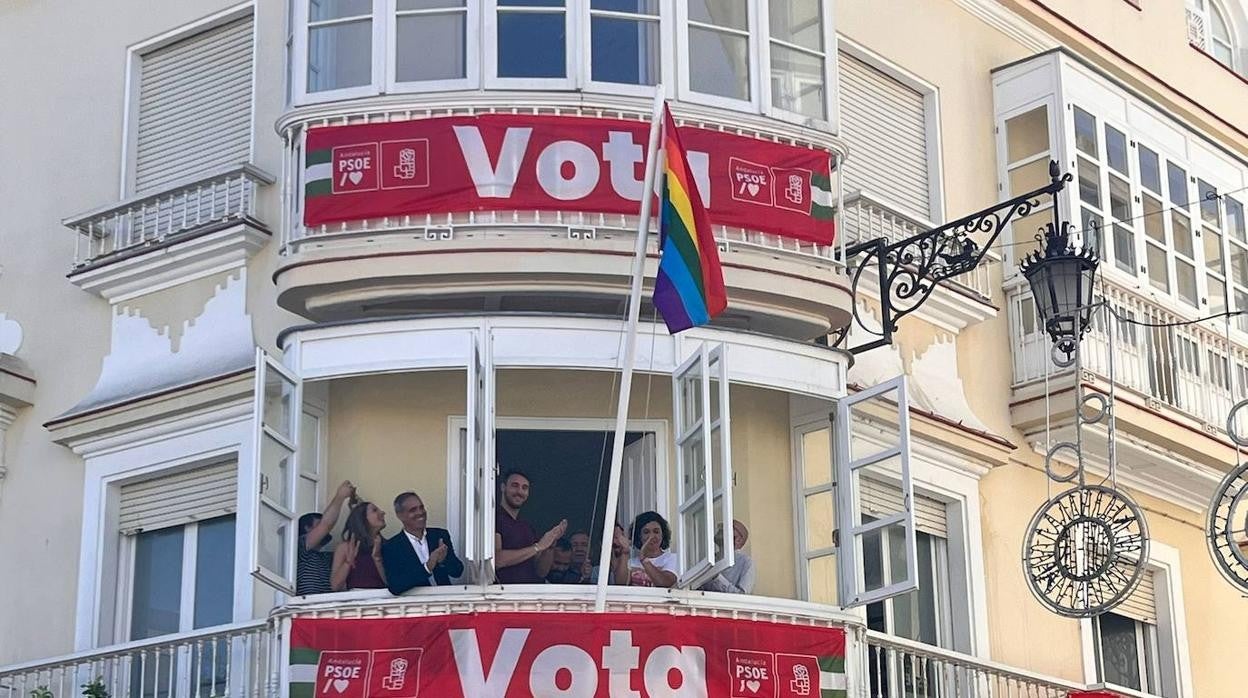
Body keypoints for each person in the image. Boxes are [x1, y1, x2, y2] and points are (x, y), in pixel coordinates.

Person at [382, 491, 463, 594]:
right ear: (400, 515)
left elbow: (458, 572)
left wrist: (443, 561)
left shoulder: (439, 535)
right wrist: (427, 567)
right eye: (413, 510)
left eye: (421, 507)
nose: (420, 512)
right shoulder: (392, 547)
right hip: (415, 606)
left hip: (445, 601)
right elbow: (395, 586)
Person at [494, 470, 567, 584]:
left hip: (530, 596)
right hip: (503, 596)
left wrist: (550, 544)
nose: (520, 491)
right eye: (515, 486)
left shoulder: (527, 527)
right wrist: (537, 547)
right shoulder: (494, 519)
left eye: (525, 488)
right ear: (503, 487)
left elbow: (541, 572)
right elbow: (497, 560)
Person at [296, 480, 355, 596]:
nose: (326, 531)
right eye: (318, 525)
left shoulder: (327, 557)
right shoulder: (300, 548)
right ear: (307, 529)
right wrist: (340, 496)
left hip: (327, 609)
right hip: (306, 608)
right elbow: (326, 525)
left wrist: (356, 510)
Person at [331, 501, 388, 591]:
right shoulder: (346, 547)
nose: (382, 513)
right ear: (362, 518)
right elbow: (335, 586)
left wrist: (377, 559)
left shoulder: (388, 546)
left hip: (383, 600)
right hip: (356, 601)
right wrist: (348, 562)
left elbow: (391, 582)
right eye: (374, 510)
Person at [616, 511, 679, 588]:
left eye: (656, 532)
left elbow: (665, 583)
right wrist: (624, 553)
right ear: (639, 536)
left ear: (663, 535)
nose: (651, 536)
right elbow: (620, 585)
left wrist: (644, 560)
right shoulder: (631, 562)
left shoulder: (672, 558)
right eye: (646, 532)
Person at [700, 519, 756, 594]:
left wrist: (717, 578)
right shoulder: (709, 559)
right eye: (722, 526)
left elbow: (742, 596)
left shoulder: (746, 562)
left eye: (727, 526)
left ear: (738, 540)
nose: (721, 529)